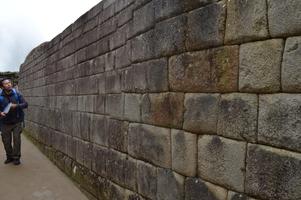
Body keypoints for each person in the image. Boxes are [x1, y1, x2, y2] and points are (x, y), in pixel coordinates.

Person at [0, 78, 28, 165]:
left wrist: (17, 106)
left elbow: (25, 104)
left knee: (17, 140)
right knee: (6, 142)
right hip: (4, 122)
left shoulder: (17, 94)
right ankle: (9, 156)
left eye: (9, 82)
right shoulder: (0, 96)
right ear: (2, 86)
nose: (8, 84)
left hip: (17, 121)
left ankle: (16, 158)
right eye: (6, 83)